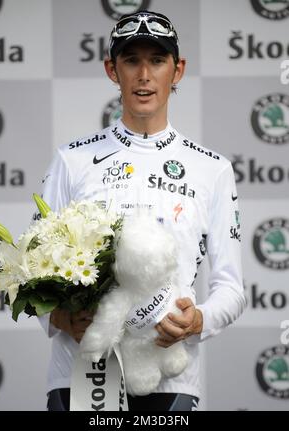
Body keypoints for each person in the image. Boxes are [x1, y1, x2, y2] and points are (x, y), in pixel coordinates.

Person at [39, 10, 246, 411]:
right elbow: (32, 277)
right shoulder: (71, 160)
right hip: (81, 375)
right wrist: (62, 318)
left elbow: (232, 288)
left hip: (171, 380)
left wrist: (198, 320)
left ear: (178, 69)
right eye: (131, 60)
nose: (144, 75)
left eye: (157, 60)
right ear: (112, 70)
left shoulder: (212, 169)